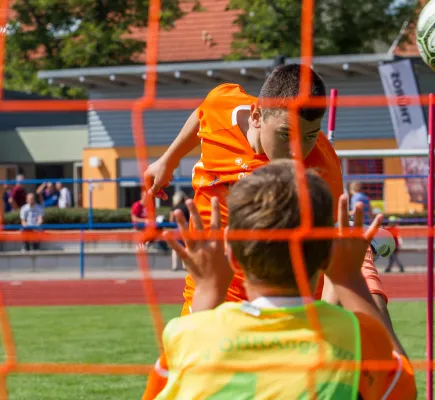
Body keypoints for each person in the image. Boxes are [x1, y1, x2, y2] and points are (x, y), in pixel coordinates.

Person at [142, 64, 392, 399]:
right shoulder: (224, 104)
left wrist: (334, 313)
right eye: (287, 135)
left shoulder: (323, 168)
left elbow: (330, 254)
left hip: (287, 304)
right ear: (257, 116)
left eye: (310, 135)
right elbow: (203, 112)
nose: (297, 151)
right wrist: (168, 160)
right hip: (216, 290)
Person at [154, 160, 416, 399]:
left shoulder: (186, 337)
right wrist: (352, 280)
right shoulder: (354, 337)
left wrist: (207, 295)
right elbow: (404, 387)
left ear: (232, 257)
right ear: (326, 258)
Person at [169, 191, 189, 271]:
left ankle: (175, 266)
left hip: (178, 228)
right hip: (186, 227)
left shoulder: (174, 207)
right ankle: (185, 266)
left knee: (175, 248)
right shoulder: (186, 206)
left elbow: (171, 220)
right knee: (186, 246)